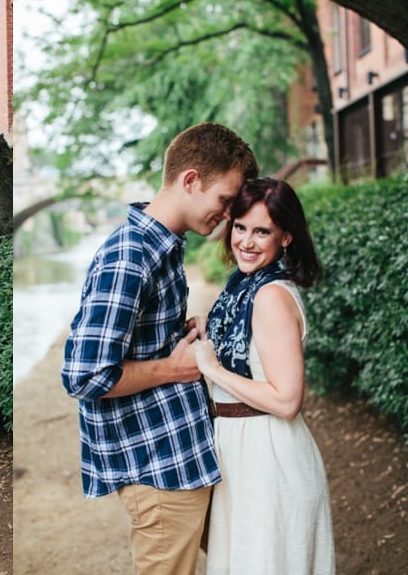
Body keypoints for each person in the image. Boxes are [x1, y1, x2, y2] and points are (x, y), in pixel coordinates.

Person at [62, 122, 259, 575]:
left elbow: (141, 342)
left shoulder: (164, 247)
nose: (228, 215)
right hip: (159, 472)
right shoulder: (129, 256)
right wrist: (173, 368)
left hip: (183, 456)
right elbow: (84, 376)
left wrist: (182, 337)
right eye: (225, 200)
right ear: (190, 180)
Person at [193, 178, 335, 574]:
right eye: (240, 227)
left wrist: (212, 367)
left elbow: (287, 400)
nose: (247, 241)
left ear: (285, 237)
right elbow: (255, 350)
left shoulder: (270, 295)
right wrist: (211, 330)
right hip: (242, 450)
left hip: (267, 455)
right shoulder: (246, 285)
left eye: (262, 231)